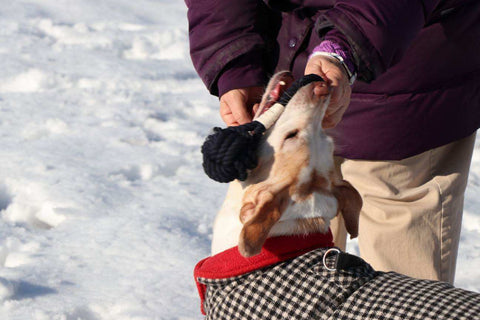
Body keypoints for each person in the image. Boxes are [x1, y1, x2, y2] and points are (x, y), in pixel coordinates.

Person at [185, 0, 480, 284]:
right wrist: (235, 66)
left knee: (404, 272)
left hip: (403, 89)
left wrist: (347, 46)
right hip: (292, 52)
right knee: (303, 292)